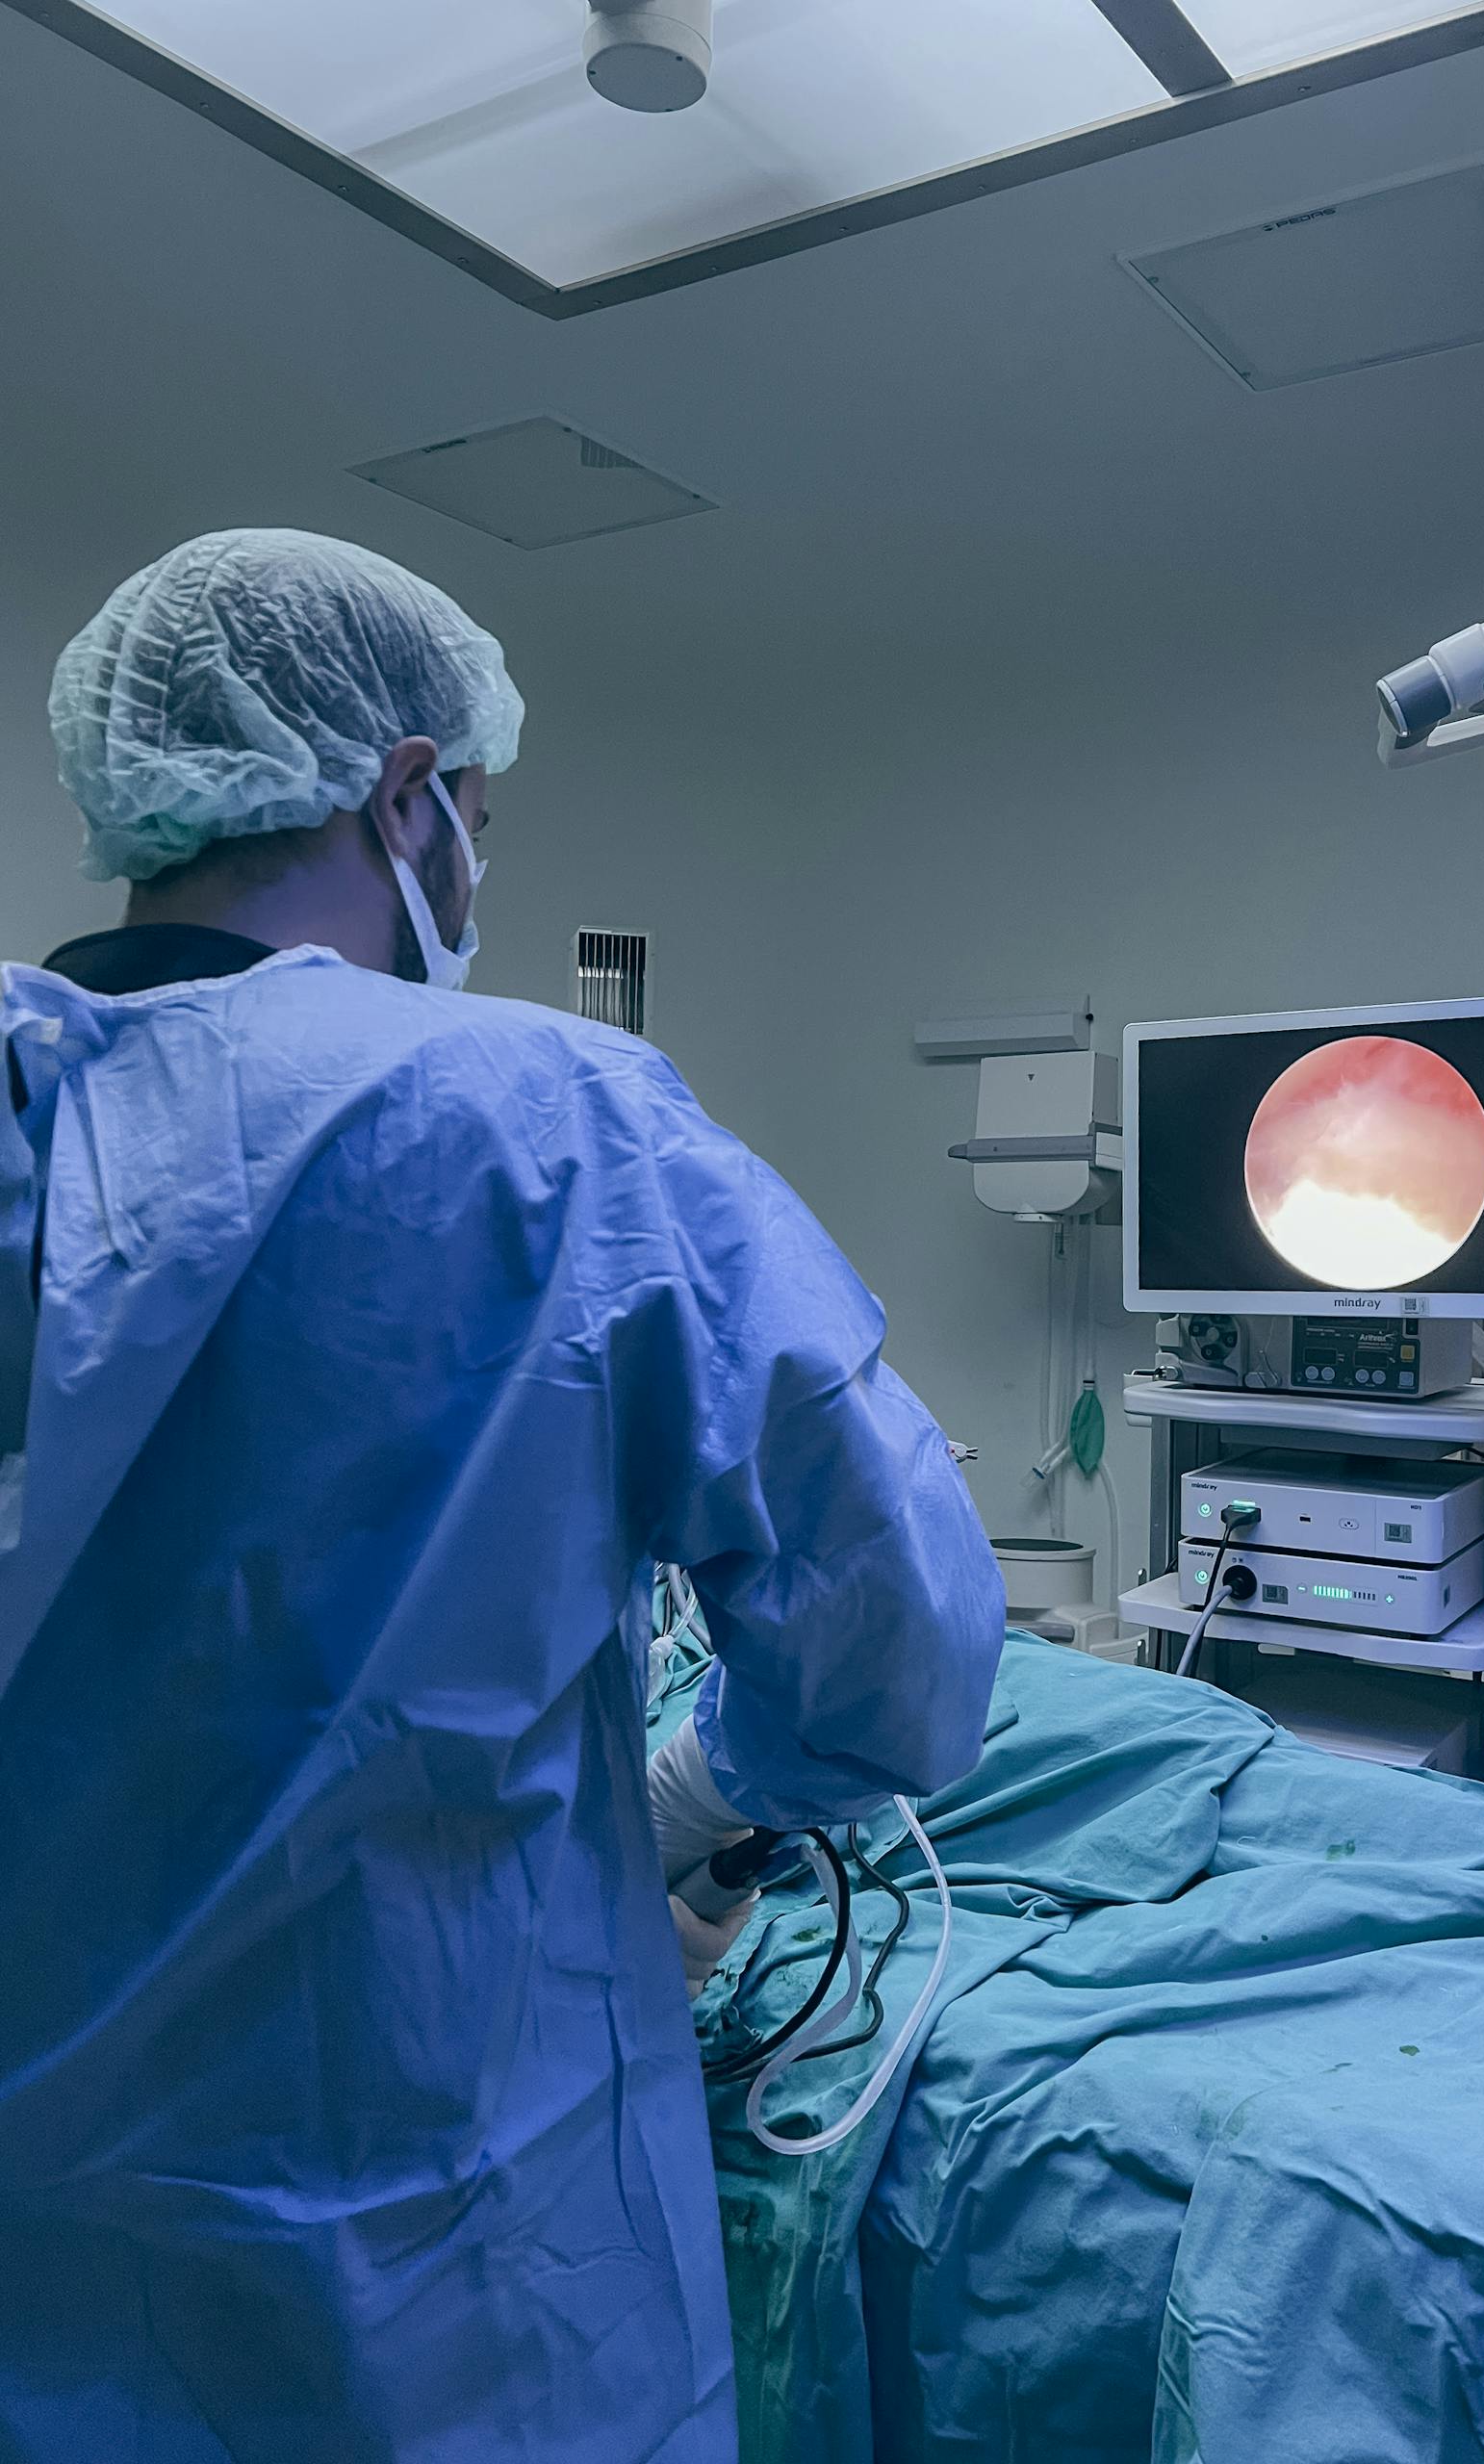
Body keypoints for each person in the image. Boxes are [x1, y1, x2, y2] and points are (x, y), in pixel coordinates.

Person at [0, 529, 1005, 2461]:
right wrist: (703, 1798)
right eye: (477, 811)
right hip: (443, 2275)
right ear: (404, 796)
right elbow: (906, 1647)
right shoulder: (552, 1113)